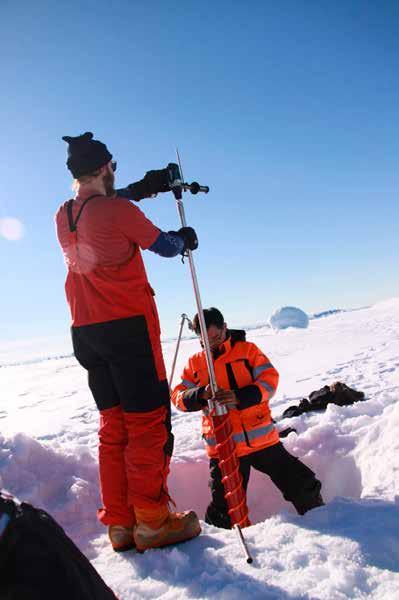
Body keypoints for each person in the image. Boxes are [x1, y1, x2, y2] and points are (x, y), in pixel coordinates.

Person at [55, 132, 201, 553]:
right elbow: (165, 246)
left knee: (113, 427)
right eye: (112, 167)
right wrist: (185, 237)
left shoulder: (63, 214)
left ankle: (120, 524)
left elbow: (106, 206)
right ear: (104, 168)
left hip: (87, 332)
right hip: (128, 331)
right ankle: (153, 523)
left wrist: (145, 187)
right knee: (146, 425)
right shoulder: (118, 211)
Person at [171, 307, 324, 529]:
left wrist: (240, 397)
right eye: (204, 339)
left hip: (262, 441)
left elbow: (269, 381)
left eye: (215, 336)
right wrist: (200, 394)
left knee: (302, 484)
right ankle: (221, 548)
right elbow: (177, 397)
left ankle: (323, 522)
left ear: (224, 328)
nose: (210, 343)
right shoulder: (195, 363)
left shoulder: (248, 351)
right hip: (224, 447)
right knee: (224, 509)